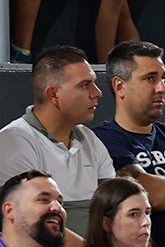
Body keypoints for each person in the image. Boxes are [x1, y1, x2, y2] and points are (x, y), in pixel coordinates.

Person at [91, 42, 165, 247]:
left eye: (162, 78)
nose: (162, 88)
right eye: (150, 79)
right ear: (119, 86)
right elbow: (147, 194)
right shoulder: (102, 141)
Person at [0, 47, 113, 237]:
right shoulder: (13, 142)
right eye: (85, 85)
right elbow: (32, 227)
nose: (97, 93)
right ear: (53, 95)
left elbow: (115, 207)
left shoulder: (90, 139)